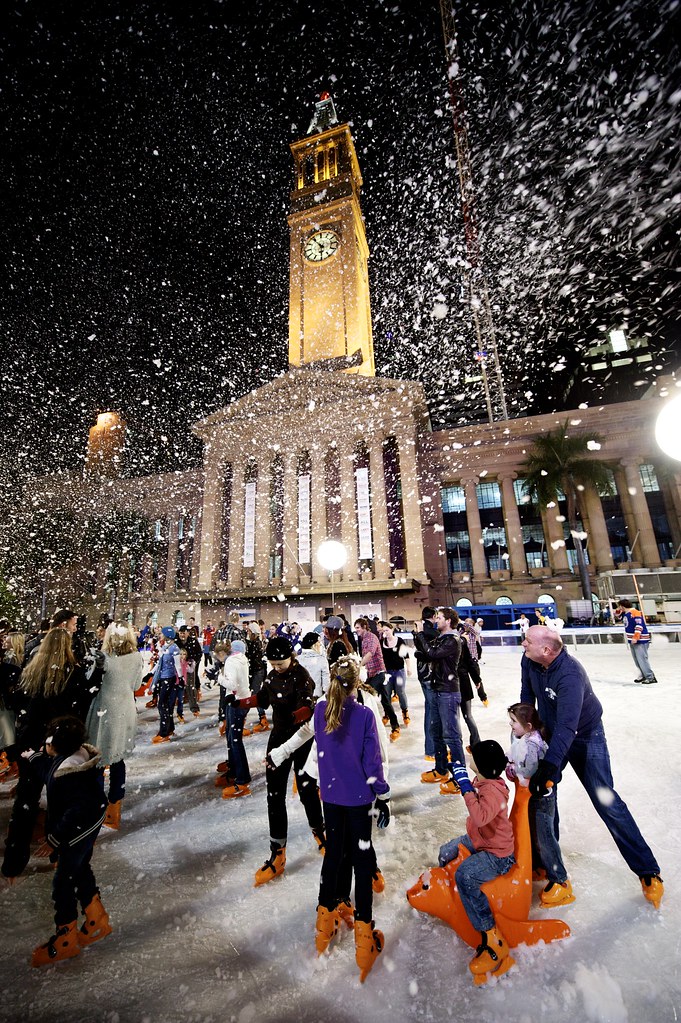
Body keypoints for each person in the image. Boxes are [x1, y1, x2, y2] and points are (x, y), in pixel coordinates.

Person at [520, 625, 663, 908]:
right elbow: (527, 694)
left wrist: (551, 765)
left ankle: (648, 871)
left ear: (546, 650)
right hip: (551, 730)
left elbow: (568, 726)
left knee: (605, 799)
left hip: (585, 735)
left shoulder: (570, 674)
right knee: (542, 797)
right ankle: (547, 864)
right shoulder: (530, 659)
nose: (522, 643)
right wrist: (527, 729)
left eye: (527, 641)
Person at [311, 656, 390, 982]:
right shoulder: (363, 715)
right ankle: (364, 938)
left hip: (331, 796)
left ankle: (323, 927)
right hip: (358, 799)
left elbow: (323, 752)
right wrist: (383, 796)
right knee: (360, 861)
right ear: (357, 682)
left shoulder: (320, 711)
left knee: (333, 857)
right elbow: (372, 764)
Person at [2, 628, 94, 881]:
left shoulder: (32, 671)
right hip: (60, 744)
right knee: (60, 803)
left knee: (26, 801)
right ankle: (59, 855)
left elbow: (17, 703)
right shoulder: (72, 673)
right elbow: (81, 709)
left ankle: (13, 862)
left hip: (33, 744)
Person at [240, 635, 325, 886]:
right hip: (277, 740)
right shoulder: (271, 675)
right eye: (273, 663)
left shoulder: (302, 676)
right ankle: (278, 852)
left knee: (308, 790)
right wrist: (242, 702)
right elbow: (263, 698)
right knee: (274, 796)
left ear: (292, 657)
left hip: (300, 739)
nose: (276, 667)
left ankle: (321, 834)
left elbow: (308, 705)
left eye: (280, 663)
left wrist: (298, 714)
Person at [27, 715, 110, 966]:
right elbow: (49, 770)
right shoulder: (69, 761)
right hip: (84, 824)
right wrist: (34, 757)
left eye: (48, 741)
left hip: (78, 829)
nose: (45, 745)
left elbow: (75, 810)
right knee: (80, 868)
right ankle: (96, 919)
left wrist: (55, 838)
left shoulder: (70, 775)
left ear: (58, 744)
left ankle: (66, 940)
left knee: (63, 881)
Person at [437, 741, 516, 983]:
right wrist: (464, 776)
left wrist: (465, 788)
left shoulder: (492, 791)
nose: (469, 756)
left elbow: (481, 817)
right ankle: (449, 898)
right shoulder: (484, 780)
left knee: (465, 876)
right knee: (446, 852)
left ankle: (491, 938)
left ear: (481, 767)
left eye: (474, 756)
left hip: (497, 853)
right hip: (479, 839)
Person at [505, 702, 573, 905]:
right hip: (534, 795)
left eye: (514, 721)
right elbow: (516, 754)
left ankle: (560, 881)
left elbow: (528, 771)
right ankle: (544, 867)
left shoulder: (533, 744)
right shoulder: (524, 737)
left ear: (528, 726)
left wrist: (512, 770)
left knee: (545, 837)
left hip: (542, 796)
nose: (510, 724)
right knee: (535, 832)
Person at [85, 622, 143, 831]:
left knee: (98, 758)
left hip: (105, 710)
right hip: (125, 710)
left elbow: (90, 682)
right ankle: (114, 806)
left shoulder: (104, 659)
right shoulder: (136, 657)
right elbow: (136, 686)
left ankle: (98, 806)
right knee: (118, 759)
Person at [413, 607, 466, 794]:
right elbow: (426, 652)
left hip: (447, 692)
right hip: (437, 689)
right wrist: (419, 640)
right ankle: (441, 769)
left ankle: (460, 778)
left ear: (449, 621)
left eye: (440, 617)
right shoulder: (443, 638)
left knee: (451, 736)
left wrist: (420, 635)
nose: (436, 620)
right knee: (436, 732)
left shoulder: (453, 639)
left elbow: (432, 654)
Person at [354, 618, 400, 742]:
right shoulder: (363, 639)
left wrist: (358, 666)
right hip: (372, 673)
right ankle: (394, 724)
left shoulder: (371, 637)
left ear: (364, 627)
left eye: (358, 627)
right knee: (385, 701)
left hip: (379, 673)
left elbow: (370, 654)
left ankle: (368, 726)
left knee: (364, 694)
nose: (356, 630)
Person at [220, 640, 252, 799]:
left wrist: (219, 678)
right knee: (232, 737)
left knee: (234, 740)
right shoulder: (242, 660)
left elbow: (231, 683)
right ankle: (234, 770)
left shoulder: (232, 661)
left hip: (236, 702)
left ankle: (242, 778)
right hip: (242, 700)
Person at [150, 627, 181, 744]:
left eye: (162, 634)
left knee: (162, 705)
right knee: (165, 704)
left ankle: (164, 732)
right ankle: (170, 728)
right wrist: (150, 673)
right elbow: (159, 664)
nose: (160, 636)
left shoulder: (174, 648)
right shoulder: (165, 648)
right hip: (163, 678)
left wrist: (181, 678)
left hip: (169, 678)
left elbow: (178, 666)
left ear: (167, 636)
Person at [615, 599, 658, 684]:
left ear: (623, 606)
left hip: (640, 640)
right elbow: (617, 616)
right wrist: (617, 610)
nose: (619, 608)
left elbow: (639, 626)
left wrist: (636, 637)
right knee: (637, 660)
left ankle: (650, 677)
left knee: (642, 659)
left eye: (620, 606)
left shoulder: (635, 613)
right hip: (632, 640)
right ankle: (643, 675)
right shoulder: (626, 614)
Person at [414, 607, 437, 760]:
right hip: (430, 676)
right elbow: (432, 654)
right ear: (434, 617)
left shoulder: (418, 632)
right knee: (433, 713)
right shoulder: (432, 633)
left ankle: (430, 749)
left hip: (422, 674)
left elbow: (419, 652)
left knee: (429, 710)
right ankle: (432, 749)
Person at [379, 622, 409, 727]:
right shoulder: (382, 642)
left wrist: (409, 668)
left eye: (387, 630)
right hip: (387, 673)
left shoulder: (399, 641)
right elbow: (380, 657)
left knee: (400, 692)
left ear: (391, 629)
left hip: (399, 671)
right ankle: (387, 713)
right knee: (386, 694)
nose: (385, 633)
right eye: (384, 631)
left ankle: (405, 711)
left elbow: (406, 655)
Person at [297, 631, 331, 698]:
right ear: (314, 645)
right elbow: (326, 684)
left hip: (300, 697)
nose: (321, 645)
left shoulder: (297, 660)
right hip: (317, 697)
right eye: (319, 642)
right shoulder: (321, 660)